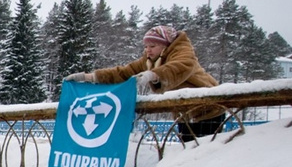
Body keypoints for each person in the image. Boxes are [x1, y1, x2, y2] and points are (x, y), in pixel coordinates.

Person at [65, 25, 224, 142]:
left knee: (203, 154)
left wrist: (154, 75)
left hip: (208, 110)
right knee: (188, 152)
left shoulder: (183, 53)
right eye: (146, 46)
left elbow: (179, 67)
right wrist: (90, 77)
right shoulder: (150, 61)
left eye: (152, 46)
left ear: (165, 45)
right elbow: (123, 73)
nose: (148, 50)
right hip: (185, 114)